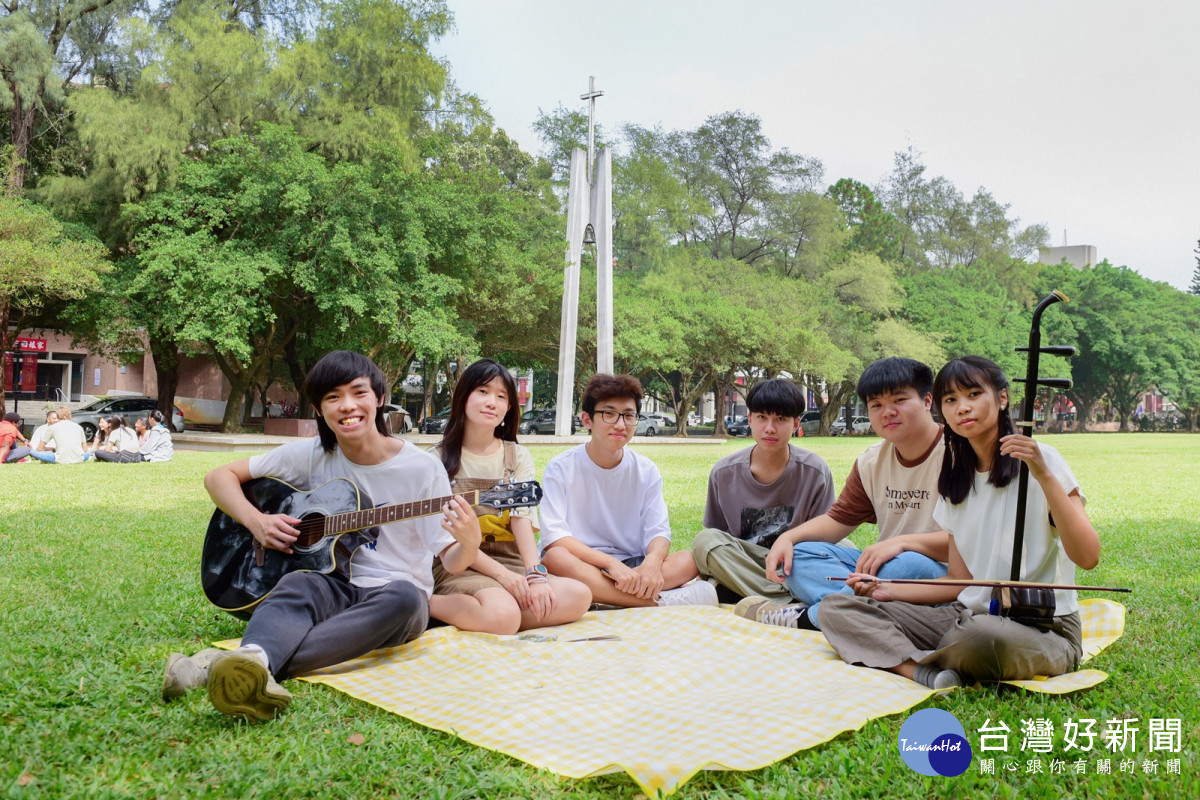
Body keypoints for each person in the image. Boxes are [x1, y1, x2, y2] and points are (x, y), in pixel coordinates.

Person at [162, 350, 482, 721]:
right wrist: (257, 521)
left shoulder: (422, 469)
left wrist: (469, 543)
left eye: (358, 393)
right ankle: (251, 666)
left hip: (392, 597)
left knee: (409, 599)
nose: (347, 406)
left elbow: (451, 560)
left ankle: (231, 663)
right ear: (318, 408)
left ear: (380, 398)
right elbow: (218, 477)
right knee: (297, 584)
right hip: (333, 584)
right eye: (333, 397)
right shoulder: (311, 454)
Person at [819, 356, 1101, 688]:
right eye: (951, 400)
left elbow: (1088, 556)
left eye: (973, 395)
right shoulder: (956, 477)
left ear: (1002, 398)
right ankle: (921, 671)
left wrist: (1044, 475)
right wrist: (886, 590)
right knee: (837, 608)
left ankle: (924, 655)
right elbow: (958, 580)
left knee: (982, 635)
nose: (962, 408)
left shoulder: (1043, 461)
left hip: (1041, 627)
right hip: (965, 616)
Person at [737, 358, 949, 630]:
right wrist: (788, 538)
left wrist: (903, 543)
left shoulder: (959, 454)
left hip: (939, 573)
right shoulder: (871, 461)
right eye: (876, 405)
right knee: (799, 557)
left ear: (927, 401)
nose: (888, 412)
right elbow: (838, 521)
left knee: (906, 565)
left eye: (899, 400)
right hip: (882, 570)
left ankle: (811, 617)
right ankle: (868, 611)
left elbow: (973, 544)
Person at [428, 359, 591, 633]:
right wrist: (503, 577)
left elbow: (521, 519)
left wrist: (535, 576)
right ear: (463, 397)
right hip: (460, 565)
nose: (491, 402)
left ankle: (487, 614)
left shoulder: (517, 456)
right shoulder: (436, 460)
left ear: (509, 408)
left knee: (579, 596)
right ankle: (426, 603)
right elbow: (446, 543)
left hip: (510, 560)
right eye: (483, 391)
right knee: (503, 615)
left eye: (501, 396)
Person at [540, 373, 717, 608]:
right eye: (609, 414)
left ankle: (605, 597)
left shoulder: (646, 470)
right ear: (587, 420)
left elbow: (658, 531)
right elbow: (554, 537)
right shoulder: (561, 467)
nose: (620, 424)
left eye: (629, 415)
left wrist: (653, 562)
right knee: (555, 558)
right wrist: (609, 563)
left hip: (634, 566)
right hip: (584, 562)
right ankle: (656, 602)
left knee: (687, 560)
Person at [691, 378, 835, 604]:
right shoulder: (724, 472)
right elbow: (717, 534)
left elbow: (824, 537)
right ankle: (790, 599)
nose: (770, 428)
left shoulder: (815, 471)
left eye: (780, 419)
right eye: (761, 417)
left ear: (796, 424)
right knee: (705, 541)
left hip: (795, 561)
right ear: (750, 419)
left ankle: (742, 590)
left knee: (844, 547)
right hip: (747, 561)